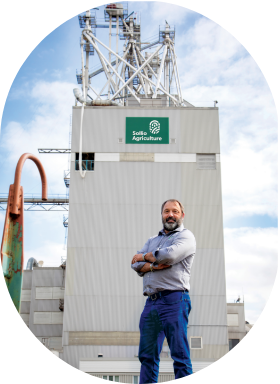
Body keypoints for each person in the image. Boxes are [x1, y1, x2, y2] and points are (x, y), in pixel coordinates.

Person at [131, 199, 196, 383]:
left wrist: (145, 257)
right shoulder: (152, 240)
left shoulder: (186, 237)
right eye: (167, 211)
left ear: (182, 215)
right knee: (147, 356)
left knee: (179, 354)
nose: (170, 215)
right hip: (151, 302)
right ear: (162, 215)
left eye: (175, 211)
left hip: (175, 299)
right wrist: (152, 266)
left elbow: (169, 256)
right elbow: (135, 264)